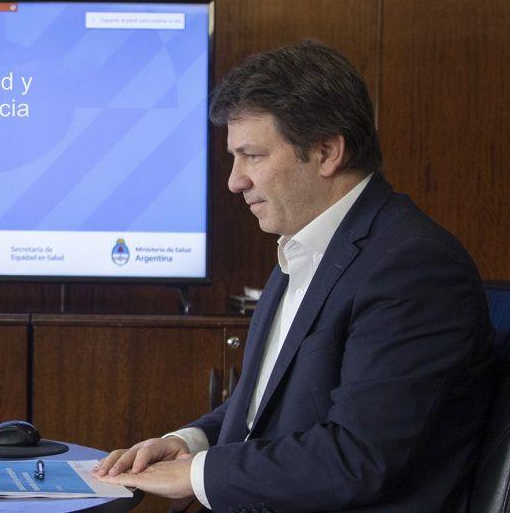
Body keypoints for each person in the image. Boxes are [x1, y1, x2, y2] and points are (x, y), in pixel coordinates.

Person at [92, 40, 495, 512]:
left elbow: (359, 458)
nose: (235, 180)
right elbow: (272, 407)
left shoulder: (413, 266)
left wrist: (198, 475)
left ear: (326, 152)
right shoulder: (305, 244)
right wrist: (191, 442)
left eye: (253, 155)